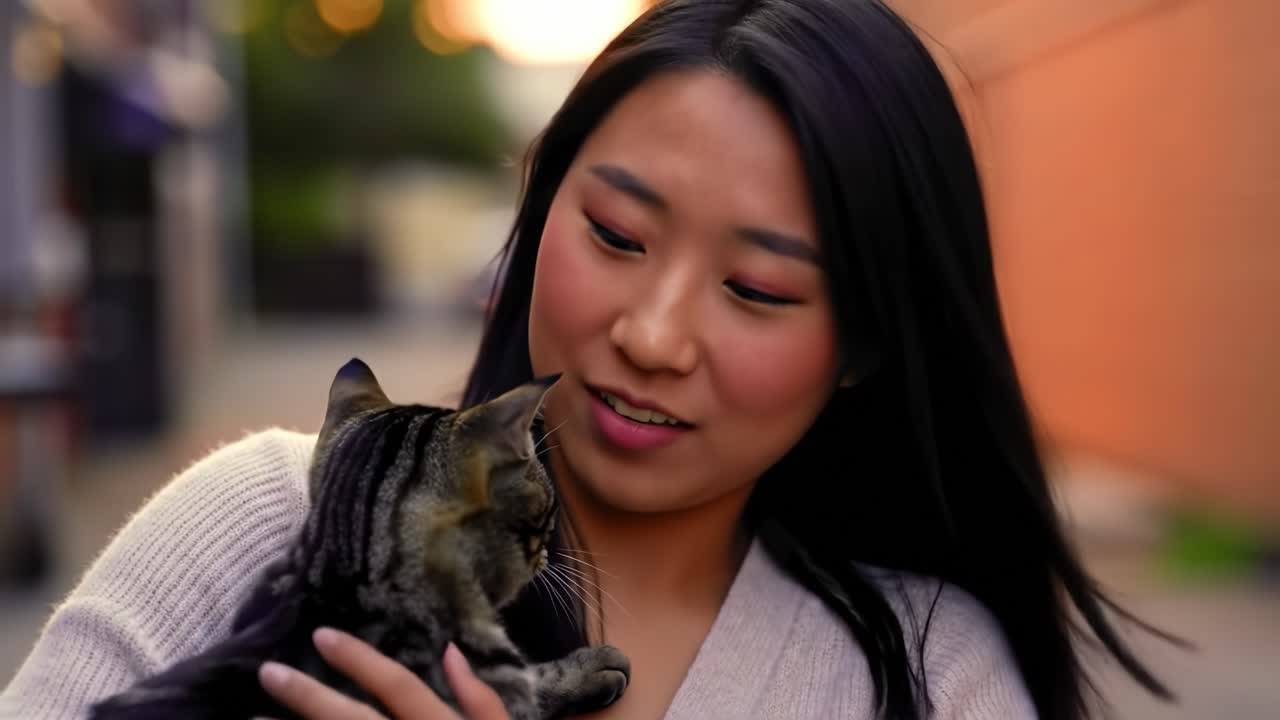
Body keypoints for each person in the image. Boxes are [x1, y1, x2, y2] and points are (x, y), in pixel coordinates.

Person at [1, 1, 1179, 718]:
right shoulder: (259, 519)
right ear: (537, 210)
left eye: (757, 288)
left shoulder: (927, 673)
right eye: (614, 235)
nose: (651, 335)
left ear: (865, 342)